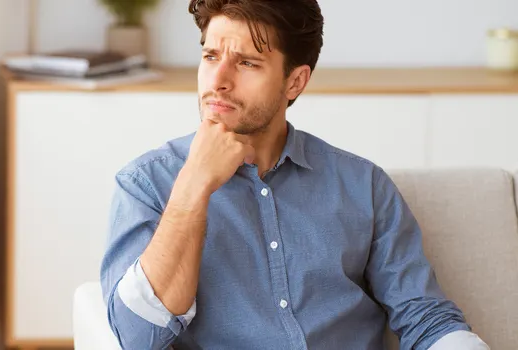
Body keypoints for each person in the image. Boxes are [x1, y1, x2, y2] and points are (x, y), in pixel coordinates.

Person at [99, 0, 491, 349]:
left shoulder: (364, 186)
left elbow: (424, 317)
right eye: (211, 56)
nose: (218, 81)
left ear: (295, 81)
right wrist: (193, 187)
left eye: (247, 63)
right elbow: (137, 338)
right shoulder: (147, 185)